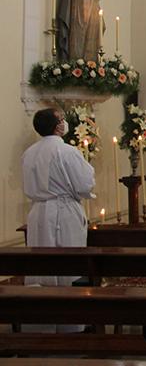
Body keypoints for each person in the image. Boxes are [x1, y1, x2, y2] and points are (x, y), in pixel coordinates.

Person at [22, 109, 95, 291]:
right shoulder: (66, 151)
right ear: (57, 126)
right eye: (62, 119)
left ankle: (40, 313)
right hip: (63, 212)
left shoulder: (29, 153)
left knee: (40, 264)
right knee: (66, 265)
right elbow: (84, 184)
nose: (64, 122)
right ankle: (67, 312)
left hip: (37, 212)